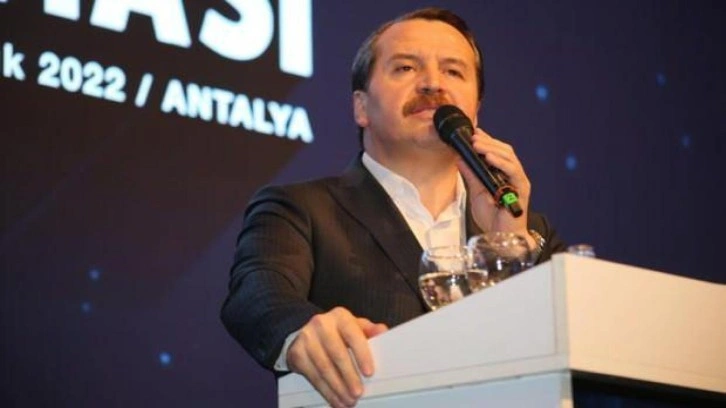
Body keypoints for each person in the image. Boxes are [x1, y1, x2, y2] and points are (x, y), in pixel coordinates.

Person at [221, 7, 566, 408]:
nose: (433, 83)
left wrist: (507, 248)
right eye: (405, 68)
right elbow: (256, 293)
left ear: (475, 111)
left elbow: (568, 345)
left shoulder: (532, 233)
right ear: (361, 107)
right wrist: (301, 330)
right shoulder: (301, 209)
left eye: (453, 71)